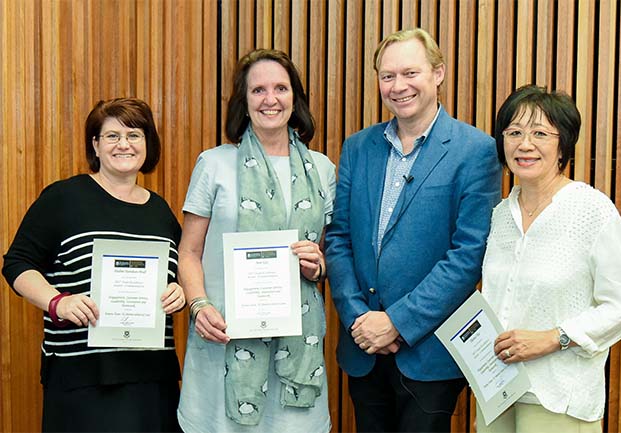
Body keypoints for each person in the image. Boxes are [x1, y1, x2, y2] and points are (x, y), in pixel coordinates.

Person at [325, 28, 502, 433]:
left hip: (430, 355)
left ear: (437, 74)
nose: (398, 86)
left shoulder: (475, 152)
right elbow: (339, 238)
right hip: (363, 348)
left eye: (410, 73)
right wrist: (360, 320)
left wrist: (398, 323)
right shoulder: (357, 147)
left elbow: (468, 255)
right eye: (388, 76)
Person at [2, 98, 186, 432]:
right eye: (112, 136)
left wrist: (179, 292)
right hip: (83, 377)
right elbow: (17, 263)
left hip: (151, 376)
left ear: (148, 144)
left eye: (134, 135)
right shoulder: (64, 198)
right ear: (96, 145)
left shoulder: (161, 212)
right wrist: (59, 301)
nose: (124, 144)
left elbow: (179, 275)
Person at [176, 48, 336, 433]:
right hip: (225, 340)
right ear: (243, 101)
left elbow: (330, 255)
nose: (270, 99)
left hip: (297, 349)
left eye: (280, 88)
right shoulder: (213, 164)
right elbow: (189, 251)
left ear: (294, 99)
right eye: (258, 90)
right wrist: (198, 305)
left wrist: (319, 264)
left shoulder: (322, 168)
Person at [476, 84, 621, 432]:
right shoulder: (501, 215)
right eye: (514, 132)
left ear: (563, 144)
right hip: (498, 392)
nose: (525, 144)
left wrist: (554, 337)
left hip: (559, 397)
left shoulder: (591, 211)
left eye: (540, 133)